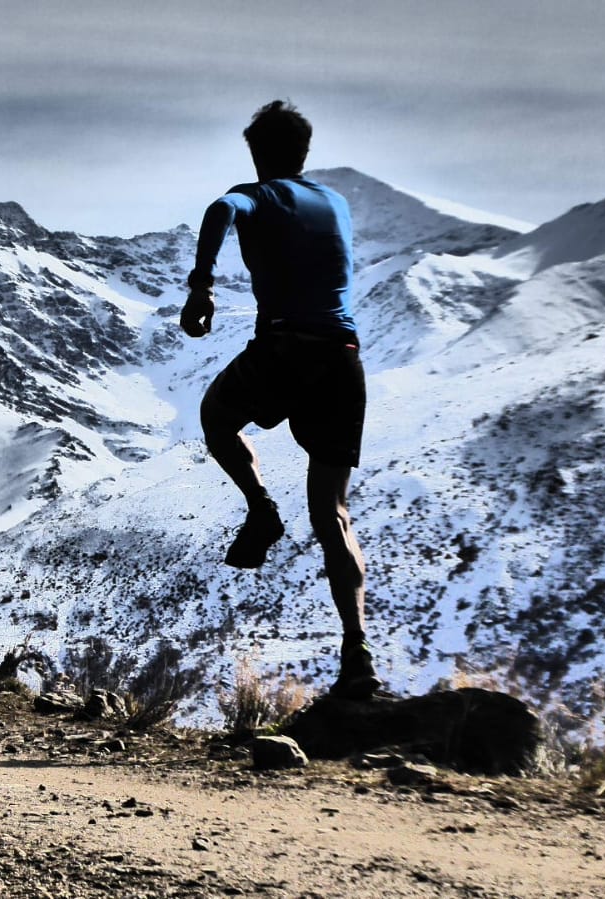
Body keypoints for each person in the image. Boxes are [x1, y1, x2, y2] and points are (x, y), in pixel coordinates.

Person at [181, 100, 383, 700]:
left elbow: (221, 209)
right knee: (333, 513)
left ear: (256, 154)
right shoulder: (336, 203)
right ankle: (358, 652)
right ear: (305, 151)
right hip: (342, 358)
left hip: (284, 348)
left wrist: (202, 285)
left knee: (217, 417)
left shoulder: (257, 195)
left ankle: (262, 508)